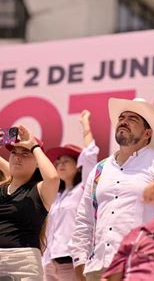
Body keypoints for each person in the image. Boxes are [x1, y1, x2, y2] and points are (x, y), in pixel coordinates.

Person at [69, 97, 154, 281]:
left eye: (133, 119)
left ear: (147, 133)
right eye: (122, 117)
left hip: (143, 267)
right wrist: (80, 264)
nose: (123, 121)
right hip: (97, 269)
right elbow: (84, 220)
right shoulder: (100, 169)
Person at [0, 125, 59, 280]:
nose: (17, 157)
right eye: (13, 152)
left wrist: (34, 145)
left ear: (37, 162)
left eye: (25, 153)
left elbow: (53, 178)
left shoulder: (39, 191)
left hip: (23, 266)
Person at [43, 110, 99, 281]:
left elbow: (90, 155)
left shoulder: (83, 189)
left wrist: (85, 125)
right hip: (50, 262)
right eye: (57, 162)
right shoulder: (57, 196)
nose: (60, 164)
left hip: (71, 261)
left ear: (79, 166)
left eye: (66, 160)